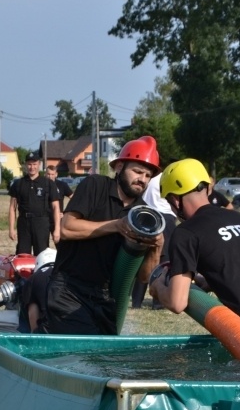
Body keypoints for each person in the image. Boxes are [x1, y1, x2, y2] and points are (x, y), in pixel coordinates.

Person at [39, 136, 163, 335]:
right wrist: (116, 225)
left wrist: (156, 247)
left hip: (105, 297)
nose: (142, 179)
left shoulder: (143, 213)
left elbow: (143, 277)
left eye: (148, 175)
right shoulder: (95, 186)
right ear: (119, 167)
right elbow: (67, 228)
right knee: (80, 351)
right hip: (69, 289)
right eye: (137, 171)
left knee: (103, 358)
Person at [150, 158, 240, 331]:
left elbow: (177, 302)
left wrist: (158, 287)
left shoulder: (186, 232)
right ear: (208, 188)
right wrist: (209, 281)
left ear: (175, 199)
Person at [130, 172, 177, 309]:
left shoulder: (150, 180)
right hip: (166, 218)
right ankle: (158, 302)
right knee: (164, 261)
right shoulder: (167, 178)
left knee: (144, 260)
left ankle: (137, 301)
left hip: (149, 216)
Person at [8, 152, 60, 255]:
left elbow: (56, 208)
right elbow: (12, 208)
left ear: (39, 164)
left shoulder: (48, 183)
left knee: (42, 254)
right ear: (26, 165)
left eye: (35, 164)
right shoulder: (18, 184)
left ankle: (39, 272)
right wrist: (11, 229)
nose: (32, 167)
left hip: (41, 222)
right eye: (29, 164)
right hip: (24, 223)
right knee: (22, 254)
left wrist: (57, 229)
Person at [19, 248, 57, 333]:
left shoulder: (33, 279)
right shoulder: (67, 274)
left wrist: (35, 334)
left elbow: (33, 310)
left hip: (49, 329)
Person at [45, 165, 73, 245]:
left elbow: (74, 199)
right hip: (43, 220)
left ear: (56, 174)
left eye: (52, 174)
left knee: (61, 246)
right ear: (45, 174)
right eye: (48, 174)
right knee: (43, 248)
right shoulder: (41, 185)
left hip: (57, 221)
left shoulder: (62, 185)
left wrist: (65, 213)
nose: (50, 176)